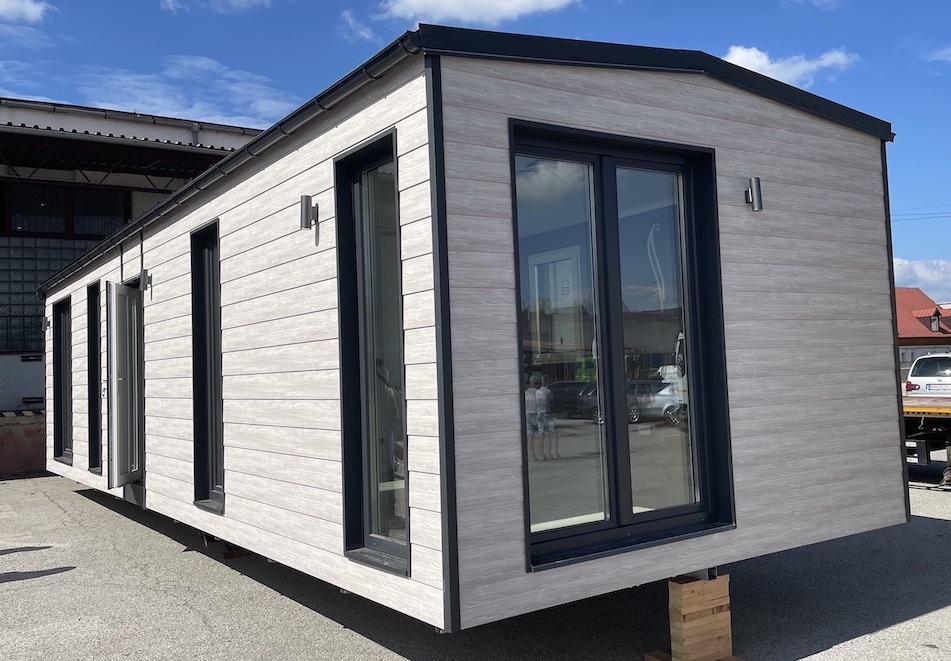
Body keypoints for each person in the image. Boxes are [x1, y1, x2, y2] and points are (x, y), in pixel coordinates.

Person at [535, 375, 561, 460]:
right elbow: (552, 402)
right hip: (547, 414)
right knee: (553, 434)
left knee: (541, 434)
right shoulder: (548, 391)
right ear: (547, 381)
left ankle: (542, 455)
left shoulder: (537, 392)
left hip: (539, 414)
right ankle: (553, 454)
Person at [525, 377, 541, 461]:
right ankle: (541, 454)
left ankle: (532, 456)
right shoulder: (538, 392)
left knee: (529, 435)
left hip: (527, 414)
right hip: (536, 414)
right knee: (539, 435)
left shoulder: (525, 393)